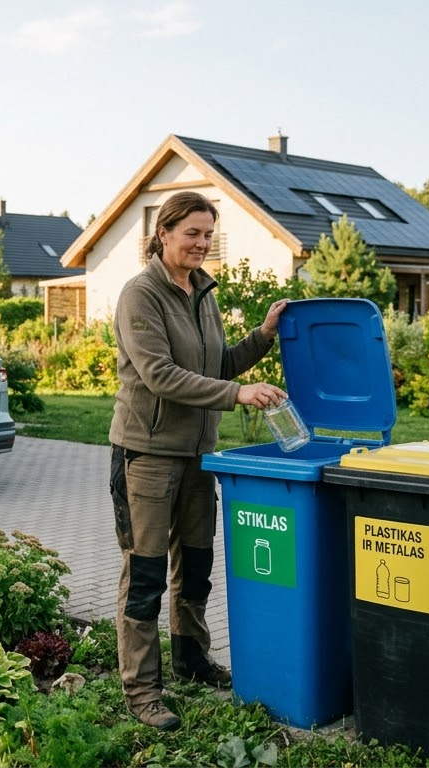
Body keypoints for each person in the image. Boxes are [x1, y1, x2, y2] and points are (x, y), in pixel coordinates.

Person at [109, 190, 288, 731]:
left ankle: (191, 660)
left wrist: (262, 336)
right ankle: (141, 691)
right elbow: (160, 374)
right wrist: (237, 394)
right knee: (144, 575)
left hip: (197, 457)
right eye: (192, 232)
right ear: (162, 233)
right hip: (148, 453)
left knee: (197, 568)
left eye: (209, 234)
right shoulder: (140, 294)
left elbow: (217, 364)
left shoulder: (202, 294)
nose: (202, 243)